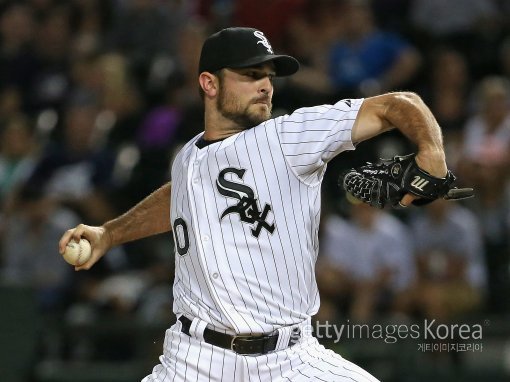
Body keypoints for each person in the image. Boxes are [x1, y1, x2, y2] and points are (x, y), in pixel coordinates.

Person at [59, 27, 449, 381]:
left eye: (268, 76)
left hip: (291, 360)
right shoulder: (189, 157)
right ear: (209, 83)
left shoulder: (289, 138)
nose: (265, 86)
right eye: (249, 75)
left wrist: (430, 150)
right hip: (194, 360)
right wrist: (108, 234)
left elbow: (396, 104)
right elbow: (179, 195)